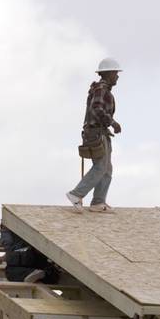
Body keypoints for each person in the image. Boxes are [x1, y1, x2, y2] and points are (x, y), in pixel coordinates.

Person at [66, 58, 122, 213]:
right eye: (116, 73)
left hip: (100, 133)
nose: (117, 76)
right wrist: (112, 122)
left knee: (107, 168)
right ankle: (76, 194)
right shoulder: (101, 90)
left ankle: (98, 202)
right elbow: (96, 109)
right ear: (108, 74)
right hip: (97, 132)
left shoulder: (102, 90)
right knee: (100, 167)